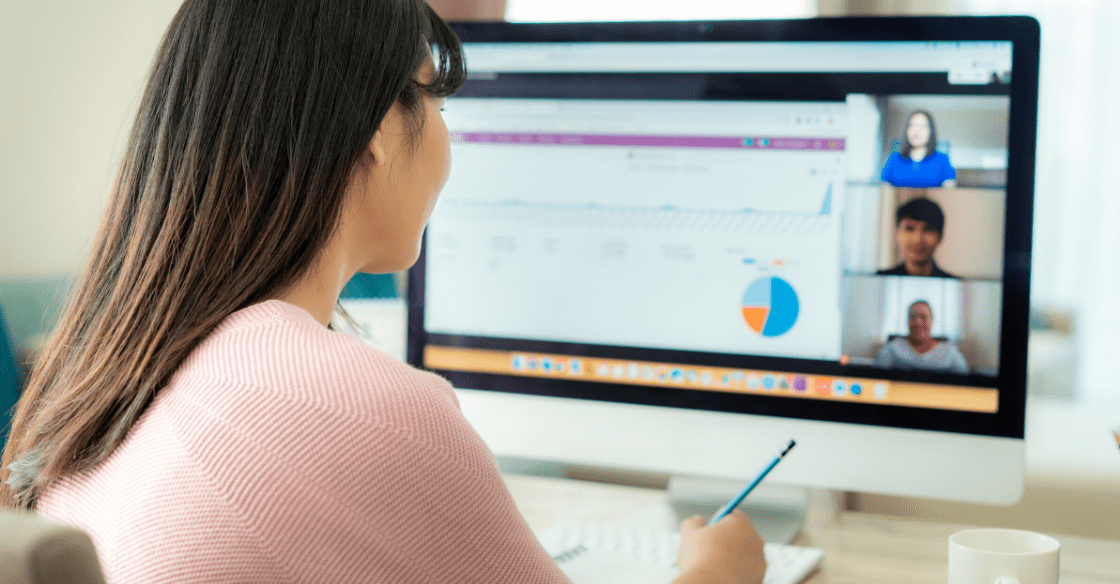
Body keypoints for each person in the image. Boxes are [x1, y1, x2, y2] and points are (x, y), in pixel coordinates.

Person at [0, 1, 767, 583]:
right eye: (436, 102)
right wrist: (713, 574)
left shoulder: (104, 374)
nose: (444, 137)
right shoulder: (354, 403)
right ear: (375, 125)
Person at [874, 300, 969, 374]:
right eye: (912, 317)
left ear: (932, 320)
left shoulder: (950, 352)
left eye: (923, 317)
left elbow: (965, 384)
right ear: (907, 321)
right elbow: (876, 377)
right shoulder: (892, 348)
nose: (918, 323)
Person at [877, 197, 959, 278]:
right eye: (910, 228)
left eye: (927, 229)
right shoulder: (879, 280)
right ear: (896, 234)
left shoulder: (955, 283)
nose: (918, 239)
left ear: (940, 236)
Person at [879, 110, 957, 188]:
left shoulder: (943, 159)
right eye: (912, 125)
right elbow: (884, 190)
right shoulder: (894, 159)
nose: (916, 131)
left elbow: (949, 192)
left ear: (931, 131)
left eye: (922, 126)